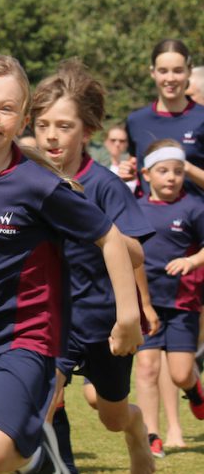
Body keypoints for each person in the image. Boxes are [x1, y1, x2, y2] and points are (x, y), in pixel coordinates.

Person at [0, 52, 142, 474]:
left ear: (21, 119)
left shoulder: (39, 184)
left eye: (6, 108)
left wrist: (127, 317)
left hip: (22, 342)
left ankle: (35, 452)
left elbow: (110, 238)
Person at [31, 61, 155, 474]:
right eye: (43, 124)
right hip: (48, 319)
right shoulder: (25, 180)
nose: (51, 135)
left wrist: (101, 234)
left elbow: (137, 252)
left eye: (64, 126)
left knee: (112, 417)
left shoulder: (104, 185)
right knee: (42, 403)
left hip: (104, 320)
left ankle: (137, 427)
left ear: (87, 132)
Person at [133, 140, 204, 457]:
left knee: (179, 373)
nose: (171, 177)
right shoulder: (134, 207)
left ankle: (194, 388)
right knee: (147, 368)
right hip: (146, 303)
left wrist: (192, 261)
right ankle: (152, 435)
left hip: (182, 303)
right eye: (163, 171)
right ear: (147, 174)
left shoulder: (194, 208)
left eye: (177, 171)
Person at [122, 40, 204, 197]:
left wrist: (184, 167)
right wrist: (128, 171)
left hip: (196, 219)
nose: (170, 78)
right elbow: (136, 165)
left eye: (178, 71)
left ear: (189, 71)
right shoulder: (136, 121)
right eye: (163, 71)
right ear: (153, 72)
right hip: (147, 219)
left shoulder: (201, 118)